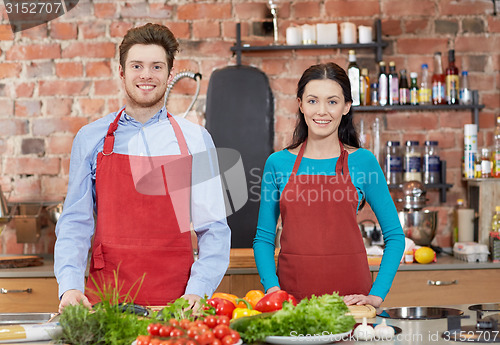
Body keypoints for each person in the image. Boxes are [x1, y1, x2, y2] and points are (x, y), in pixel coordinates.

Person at [54, 23, 230, 313]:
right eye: (137, 66)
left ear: (170, 75)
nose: (146, 75)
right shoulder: (91, 138)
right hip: (106, 305)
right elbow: (75, 223)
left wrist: (198, 292)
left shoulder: (196, 139)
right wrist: (70, 286)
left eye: (157, 67)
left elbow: (214, 229)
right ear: (122, 73)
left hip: (176, 304)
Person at [253, 62, 405, 307]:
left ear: (346, 107)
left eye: (332, 102)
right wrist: (273, 290)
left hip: (352, 303)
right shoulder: (277, 164)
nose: (322, 111)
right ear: (300, 104)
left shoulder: (363, 162)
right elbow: (263, 238)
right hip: (293, 302)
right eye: (313, 101)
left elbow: (395, 236)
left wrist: (376, 296)